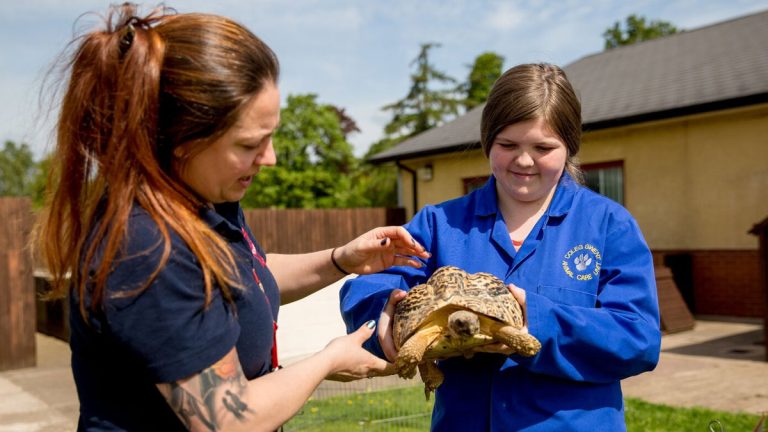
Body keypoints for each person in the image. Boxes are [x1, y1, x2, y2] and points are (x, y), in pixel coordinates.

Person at [34, 4, 430, 431]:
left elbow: (244, 278)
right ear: (181, 141)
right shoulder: (146, 248)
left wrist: (341, 260)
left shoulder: (202, 202)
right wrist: (327, 360)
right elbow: (226, 419)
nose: (271, 158)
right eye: (249, 144)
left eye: (271, 135)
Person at [340, 63, 661, 431]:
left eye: (543, 147)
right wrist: (381, 311)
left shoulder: (608, 225)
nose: (524, 160)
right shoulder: (440, 224)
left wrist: (537, 322)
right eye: (507, 145)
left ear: (570, 146)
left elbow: (638, 339)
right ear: (487, 141)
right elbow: (365, 287)